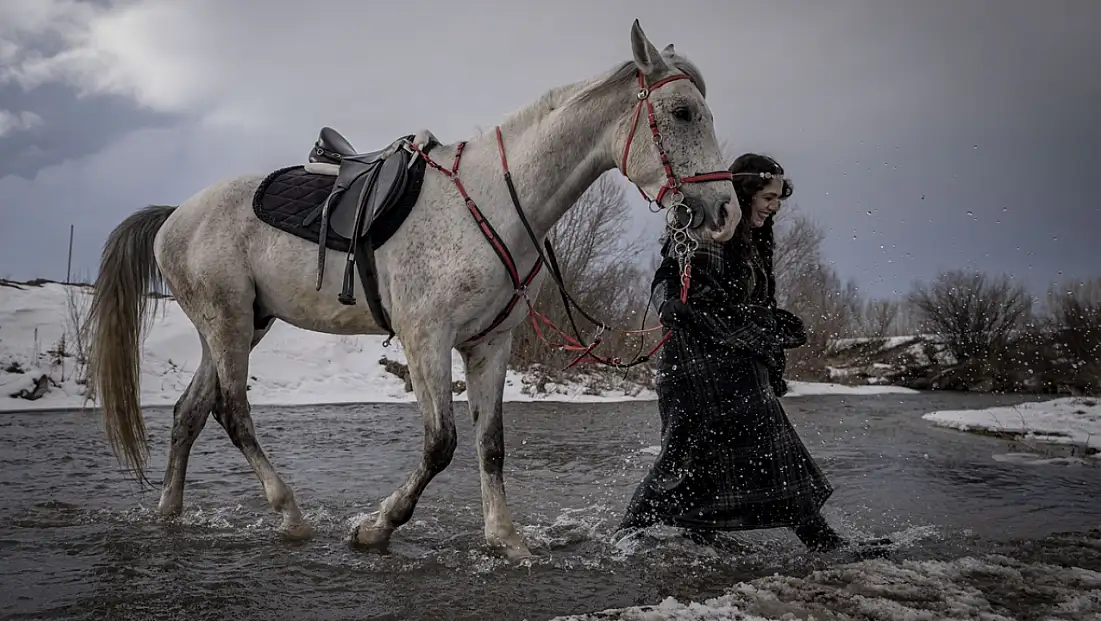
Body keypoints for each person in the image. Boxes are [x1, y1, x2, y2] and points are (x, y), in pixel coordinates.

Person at [617, 153, 889, 554]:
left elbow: (752, 302)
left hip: (734, 366)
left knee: (753, 452)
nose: (774, 206)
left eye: (778, 198)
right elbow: (674, 278)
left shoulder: (754, 241)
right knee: (692, 456)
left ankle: (697, 533)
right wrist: (670, 303)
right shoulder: (711, 225)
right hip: (696, 368)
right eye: (768, 197)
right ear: (744, 193)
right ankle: (629, 534)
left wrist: (770, 353)